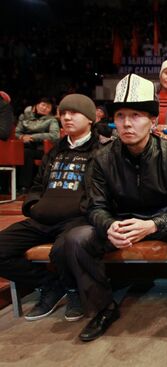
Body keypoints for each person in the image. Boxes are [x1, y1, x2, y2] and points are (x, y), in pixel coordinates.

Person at [63, 74, 167, 342]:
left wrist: (155, 224)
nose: (127, 123)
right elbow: (94, 205)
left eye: (136, 115)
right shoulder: (102, 157)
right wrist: (109, 226)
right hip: (122, 222)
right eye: (120, 116)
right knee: (75, 239)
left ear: (153, 120)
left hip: (163, 221)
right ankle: (104, 307)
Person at [0, 94, 99, 322]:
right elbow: (36, 185)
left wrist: (84, 210)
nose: (66, 117)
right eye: (63, 113)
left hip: (77, 219)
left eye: (73, 113)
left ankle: (73, 290)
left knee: (61, 250)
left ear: (90, 119)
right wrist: (32, 205)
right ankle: (50, 285)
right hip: (41, 218)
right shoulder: (54, 151)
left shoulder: (102, 151)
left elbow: (104, 191)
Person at [15, 97, 60, 192]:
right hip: (24, 145)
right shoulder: (24, 117)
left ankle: (24, 186)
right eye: (43, 105)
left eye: (48, 107)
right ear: (36, 105)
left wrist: (33, 137)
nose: (45, 108)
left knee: (26, 153)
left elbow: (54, 135)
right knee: (18, 152)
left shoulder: (52, 120)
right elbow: (17, 133)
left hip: (42, 149)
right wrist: (22, 137)